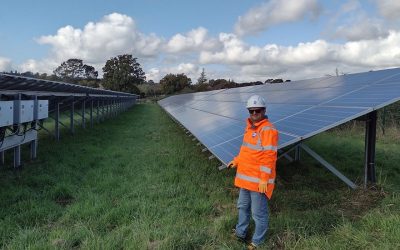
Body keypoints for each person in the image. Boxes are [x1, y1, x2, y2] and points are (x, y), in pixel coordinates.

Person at [227, 94, 279, 249]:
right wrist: (236, 161)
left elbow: (269, 156)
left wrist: (264, 178)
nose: (255, 114)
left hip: (258, 182)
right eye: (252, 111)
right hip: (246, 180)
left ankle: (257, 241)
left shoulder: (268, 130)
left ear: (264, 110)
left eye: (258, 110)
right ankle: (240, 233)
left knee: (258, 214)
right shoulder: (249, 128)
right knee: (242, 207)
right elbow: (245, 151)